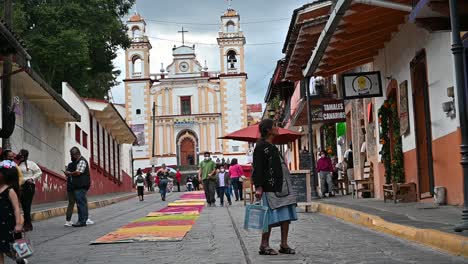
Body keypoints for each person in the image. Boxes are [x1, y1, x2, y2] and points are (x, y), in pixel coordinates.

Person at [253, 119, 297, 256]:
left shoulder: (273, 147)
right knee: (269, 216)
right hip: (270, 187)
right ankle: (264, 245)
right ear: (268, 130)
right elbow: (258, 168)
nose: (277, 128)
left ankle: (284, 244)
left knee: (286, 215)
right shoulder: (261, 147)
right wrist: (259, 187)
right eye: (274, 126)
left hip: (283, 186)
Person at [0, 163, 26, 264]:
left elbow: (16, 208)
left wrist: (19, 224)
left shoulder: (10, 191)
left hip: (8, 225)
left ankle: (20, 260)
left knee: (10, 251)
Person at [16, 149, 42, 232]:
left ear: (25, 156)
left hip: (29, 186)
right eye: (20, 154)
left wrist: (32, 178)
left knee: (27, 205)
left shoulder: (31, 164)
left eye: (22, 155)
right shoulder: (18, 165)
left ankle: (27, 224)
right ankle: (28, 224)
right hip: (21, 186)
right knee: (24, 206)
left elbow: (39, 172)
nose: (20, 156)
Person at [64, 147, 91, 227]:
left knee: (80, 204)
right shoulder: (78, 161)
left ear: (75, 155)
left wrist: (69, 173)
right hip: (80, 186)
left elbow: (78, 172)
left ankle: (81, 221)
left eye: (71, 155)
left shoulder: (82, 161)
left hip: (81, 186)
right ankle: (84, 220)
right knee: (83, 203)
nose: (71, 156)